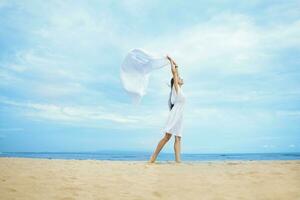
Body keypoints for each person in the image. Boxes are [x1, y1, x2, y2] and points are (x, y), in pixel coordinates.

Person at [149, 55, 186, 163]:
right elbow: (174, 73)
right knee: (167, 137)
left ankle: (178, 161)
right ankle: (153, 158)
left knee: (178, 138)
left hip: (180, 116)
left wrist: (177, 65)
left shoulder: (180, 90)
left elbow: (177, 73)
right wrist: (171, 61)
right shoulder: (176, 88)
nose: (181, 78)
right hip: (175, 115)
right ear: (176, 82)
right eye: (179, 78)